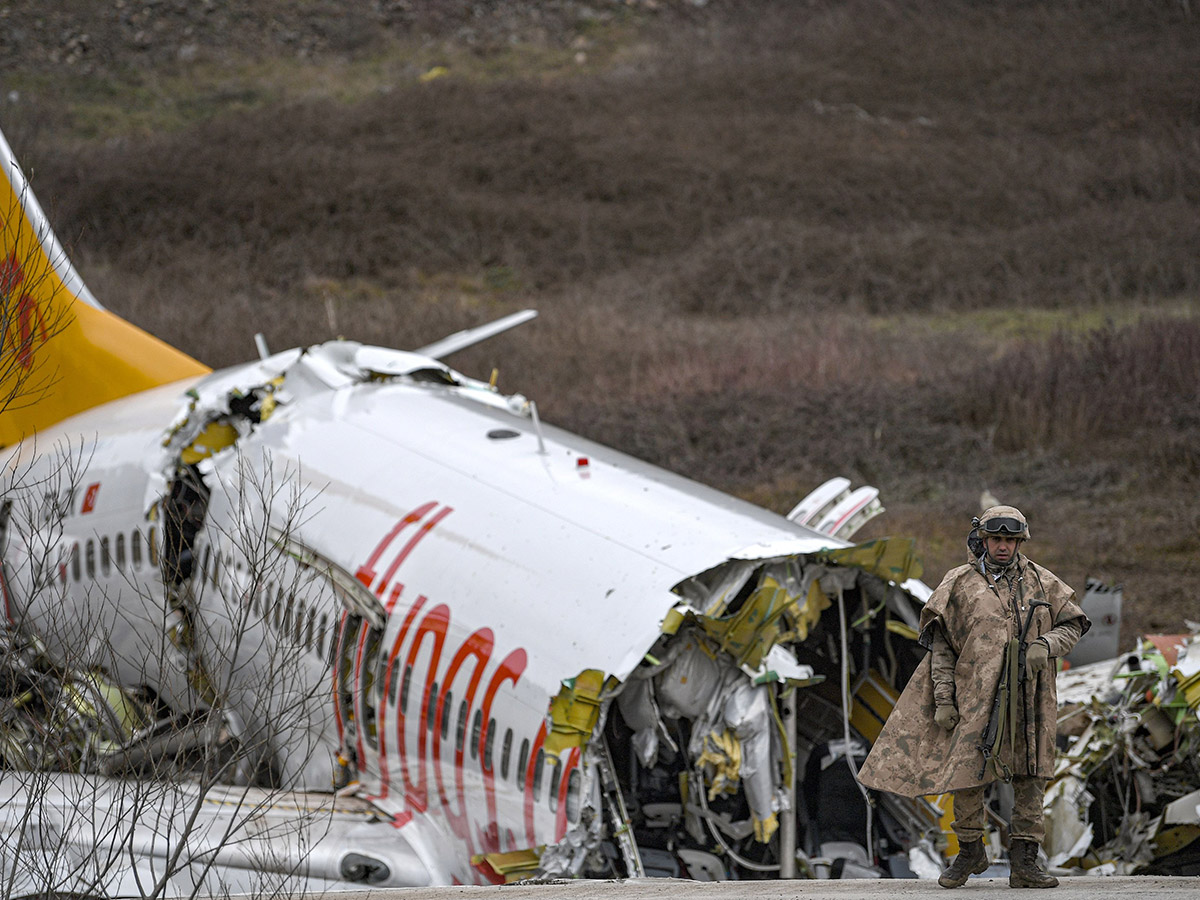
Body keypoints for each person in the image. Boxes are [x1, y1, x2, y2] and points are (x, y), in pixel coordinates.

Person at [856, 506, 1089, 889]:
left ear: (1020, 542)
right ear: (983, 539)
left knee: (1032, 775)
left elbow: (1074, 622)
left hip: (1031, 699)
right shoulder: (959, 584)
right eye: (996, 539)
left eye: (1010, 540)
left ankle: (1026, 862)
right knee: (966, 776)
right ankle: (970, 851)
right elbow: (943, 648)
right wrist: (945, 700)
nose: (1002, 547)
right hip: (975, 699)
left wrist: (1046, 643)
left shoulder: (1042, 582)